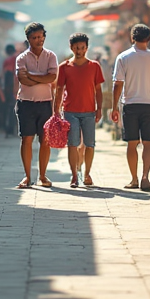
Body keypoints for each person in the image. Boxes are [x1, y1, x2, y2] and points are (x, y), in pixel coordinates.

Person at [112, 24, 150, 191]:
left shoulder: (123, 57)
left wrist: (114, 107)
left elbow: (118, 84)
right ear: (149, 39)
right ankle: (145, 177)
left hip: (130, 105)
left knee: (132, 144)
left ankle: (134, 179)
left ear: (132, 38)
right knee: (149, 144)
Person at [53, 33, 104, 188]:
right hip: (70, 111)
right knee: (72, 144)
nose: (79, 51)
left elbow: (98, 90)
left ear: (86, 48)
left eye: (82, 48)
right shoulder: (64, 67)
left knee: (90, 144)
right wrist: (56, 110)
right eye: (76, 47)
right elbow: (59, 90)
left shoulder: (94, 66)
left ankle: (87, 173)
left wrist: (99, 108)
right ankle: (74, 175)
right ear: (71, 47)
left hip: (89, 111)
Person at [15, 22, 58, 189]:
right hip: (26, 103)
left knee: (45, 141)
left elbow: (51, 78)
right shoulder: (22, 58)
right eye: (34, 37)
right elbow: (22, 80)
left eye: (40, 37)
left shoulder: (51, 56)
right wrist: (42, 77)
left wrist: (32, 76)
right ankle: (27, 176)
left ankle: (42, 175)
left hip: (46, 103)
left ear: (44, 37)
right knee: (26, 139)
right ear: (28, 39)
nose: (38, 40)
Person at [0, 43, 19, 138]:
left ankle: (9, 129)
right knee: (15, 109)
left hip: (9, 87)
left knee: (9, 109)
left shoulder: (7, 60)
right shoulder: (19, 58)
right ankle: (15, 128)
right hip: (17, 87)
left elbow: (4, 75)